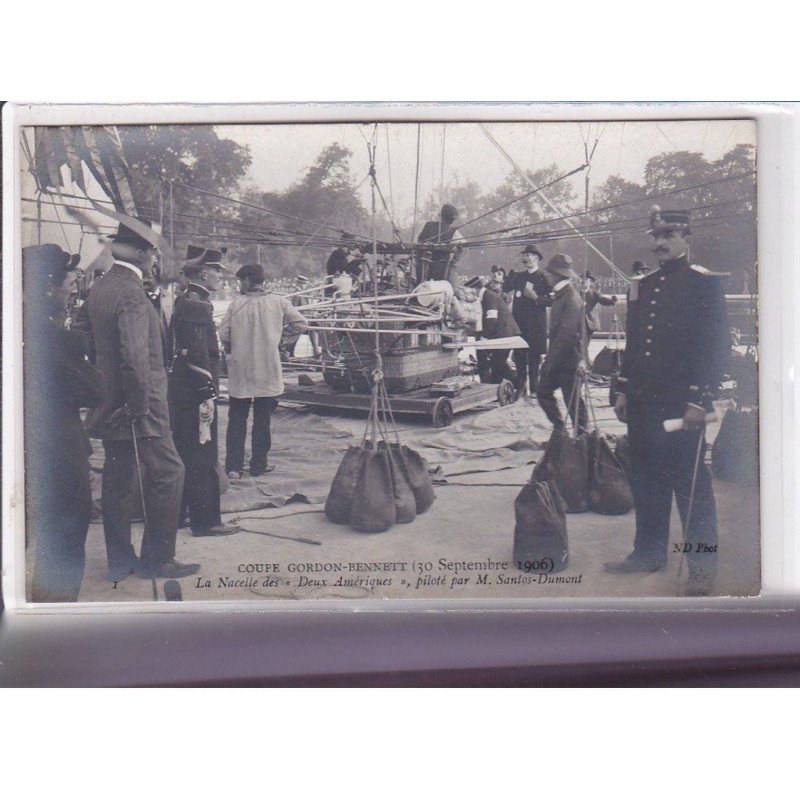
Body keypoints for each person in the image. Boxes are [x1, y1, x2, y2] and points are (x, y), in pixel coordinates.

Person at [605, 207, 730, 595]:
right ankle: (648, 552)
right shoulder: (642, 285)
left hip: (681, 405)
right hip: (643, 402)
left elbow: (714, 347)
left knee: (691, 487)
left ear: (686, 239)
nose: (659, 242)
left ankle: (702, 567)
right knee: (646, 481)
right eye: (655, 235)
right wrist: (624, 388)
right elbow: (634, 344)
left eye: (669, 235)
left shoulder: (704, 285)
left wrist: (699, 399)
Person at [86, 218, 198, 581]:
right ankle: (158, 560)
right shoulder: (132, 293)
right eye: (152, 250)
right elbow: (134, 356)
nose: (155, 258)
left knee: (118, 482)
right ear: (137, 251)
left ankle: (121, 560)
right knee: (169, 472)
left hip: (111, 403)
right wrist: (138, 405)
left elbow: (92, 347)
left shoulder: (101, 287)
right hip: (141, 404)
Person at [24, 245, 104, 602]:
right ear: (46, 289)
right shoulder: (50, 337)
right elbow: (93, 389)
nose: (73, 290)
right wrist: (73, 338)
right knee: (64, 533)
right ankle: (54, 613)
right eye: (67, 283)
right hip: (56, 451)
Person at [168, 245, 239, 537]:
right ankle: (206, 520)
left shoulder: (189, 299)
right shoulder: (197, 303)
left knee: (186, 452)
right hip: (196, 390)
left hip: (184, 389)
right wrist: (207, 391)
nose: (220, 277)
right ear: (204, 271)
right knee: (203, 454)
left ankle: (182, 513)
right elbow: (196, 353)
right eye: (217, 271)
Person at [219, 263, 308, 479]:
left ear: (248, 281)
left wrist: (232, 346)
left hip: (241, 373)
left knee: (237, 421)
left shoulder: (236, 304)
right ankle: (258, 466)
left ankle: (233, 468)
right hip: (267, 371)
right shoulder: (279, 302)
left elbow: (223, 334)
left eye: (242, 281)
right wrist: (281, 339)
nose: (240, 285)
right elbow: (301, 324)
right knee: (262, 422)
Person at [536, 254, 588, 435]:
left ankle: (582, 437)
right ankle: (560, 430)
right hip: (560, 358)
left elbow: (567, 335)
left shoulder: (571, 298)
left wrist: (549, 362)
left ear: (558, 275)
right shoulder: (561, 295)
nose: (547, 276)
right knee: (543, 391)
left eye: (550, 273)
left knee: (572, 400)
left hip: (569, 359)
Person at [503, 244, 553, 398]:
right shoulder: (519, 276)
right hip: (519, 324)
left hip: (536, 325)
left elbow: (552, 300)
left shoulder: (544, 277)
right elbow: (506, 289)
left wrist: (536, 298)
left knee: (533, 358)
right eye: (523, 256)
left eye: (528, 256)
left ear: (536, 258)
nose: (525, 258)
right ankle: (521, 388)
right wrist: (512, 272)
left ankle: (535, 389)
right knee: (519, 356)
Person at [464, 275, 520, 386]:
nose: (468, 295)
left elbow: (492, 319)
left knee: (497, 363)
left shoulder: (490, 297)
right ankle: (491, 387)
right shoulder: (482, 297)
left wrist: (484, 337)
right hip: (496, 333)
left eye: (469, 292)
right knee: (485, 359)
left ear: (476, 289)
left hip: (505, 333)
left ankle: (518, 383)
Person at [416, 203, 465, 288]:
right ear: (452, 219)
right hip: (440, 271)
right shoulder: (453, 232)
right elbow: (464, 246)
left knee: (422, 287)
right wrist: (453, 262)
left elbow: (418, 242)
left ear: (441, 215)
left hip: (422, 268)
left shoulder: (428, 225)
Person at [581, 271, 617, 338]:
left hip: (589, 324)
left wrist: (612, 301)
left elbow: (603, 300)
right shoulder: (577, 293)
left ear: (591, 282)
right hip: (579, 323)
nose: (583, 281)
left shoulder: (594, 294)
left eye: (586, 280)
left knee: (584, 344)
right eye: (582, 279)